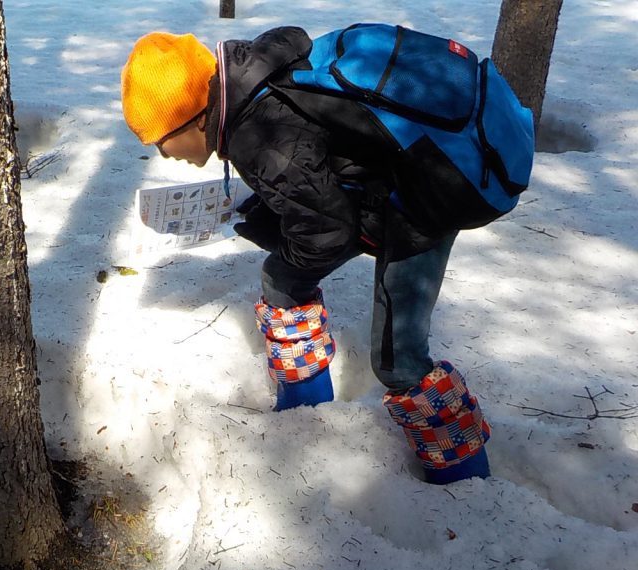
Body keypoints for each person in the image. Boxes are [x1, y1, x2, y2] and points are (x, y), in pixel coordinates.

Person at [120, 27, 491, 485]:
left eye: (160, 138)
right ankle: (305, 415)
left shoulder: (258, 136)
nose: (161, 152)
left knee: (399, 361)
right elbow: (311, 171)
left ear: (194, 118)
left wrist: (278, 234)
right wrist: (279, 214)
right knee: (282, 282)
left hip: (426, 199)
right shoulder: (247, 82)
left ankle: (464, 476)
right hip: (383, 184)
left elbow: (327, 233)